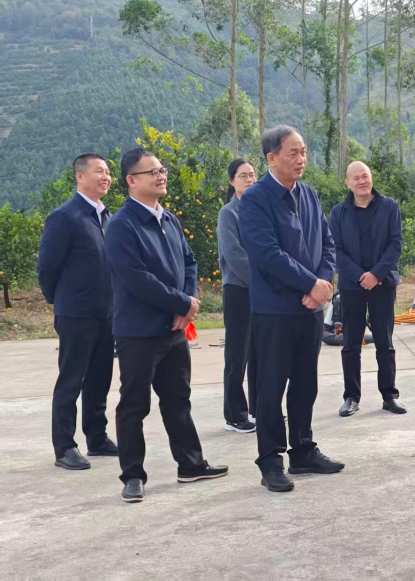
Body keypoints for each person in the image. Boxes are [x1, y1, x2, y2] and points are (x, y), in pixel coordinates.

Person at [105, 148, 228, 503]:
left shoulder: (169, 219)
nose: (161, 176)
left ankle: (190, 464)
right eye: (153, 172)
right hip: (139, 331)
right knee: (134, 404)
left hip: (174, 329)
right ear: (131, 180)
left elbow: (189, 262)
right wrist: (180, 303)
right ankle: (132, 476)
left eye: (162, 169)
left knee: (177, 399)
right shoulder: (122, 225)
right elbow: (135, 278)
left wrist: (187, 303)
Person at [238, 125, 343, 494]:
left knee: (305, 383)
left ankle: (302, 450)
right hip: (275, 310)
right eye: (293, 153)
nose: (301, 159)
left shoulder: (308, 194)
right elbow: (266, 254)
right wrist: (309, 285)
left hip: (309, 309)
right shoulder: (255, 199)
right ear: (271, 158)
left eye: (303, 152)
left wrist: (321, 284)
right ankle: (270, 461)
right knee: (270, 387)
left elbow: (327, 244)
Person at [37, 153, 118, 470]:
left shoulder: (107, 216)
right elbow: (47, 266)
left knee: (100, 378)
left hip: (107, 313)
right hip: (76, 313)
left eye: (108, 171)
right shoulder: (65, 216)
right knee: (71, 380)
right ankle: (65, 447)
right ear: (80, 176)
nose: (106, 176)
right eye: (99, 171)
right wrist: (59, 300)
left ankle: (97, 438)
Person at [329, 161, 405, 417]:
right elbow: (336, 250)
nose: (362, 181)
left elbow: (395, 244)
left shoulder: (390, 207)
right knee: (351, 344)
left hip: (383, 283)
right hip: (352, 286)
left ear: (371, 178)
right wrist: (361, 276)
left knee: (385, 342)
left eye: (365, 176)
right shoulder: (338, 213)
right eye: (356, 178)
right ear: (347, 183)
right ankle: (351, 397)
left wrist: (376, 274)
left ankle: (390, 395)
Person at [217, 159, 258, 433]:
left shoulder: (260, 209)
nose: (249, 179)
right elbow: (234, 256)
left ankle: (259, 407)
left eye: (252, 175)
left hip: (262, 290)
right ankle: (235, 415)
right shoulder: (228, 213)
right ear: (232, 182)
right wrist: (262, 281)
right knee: (237, 354)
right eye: (243, 176)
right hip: (239, 289)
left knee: (259, 352)